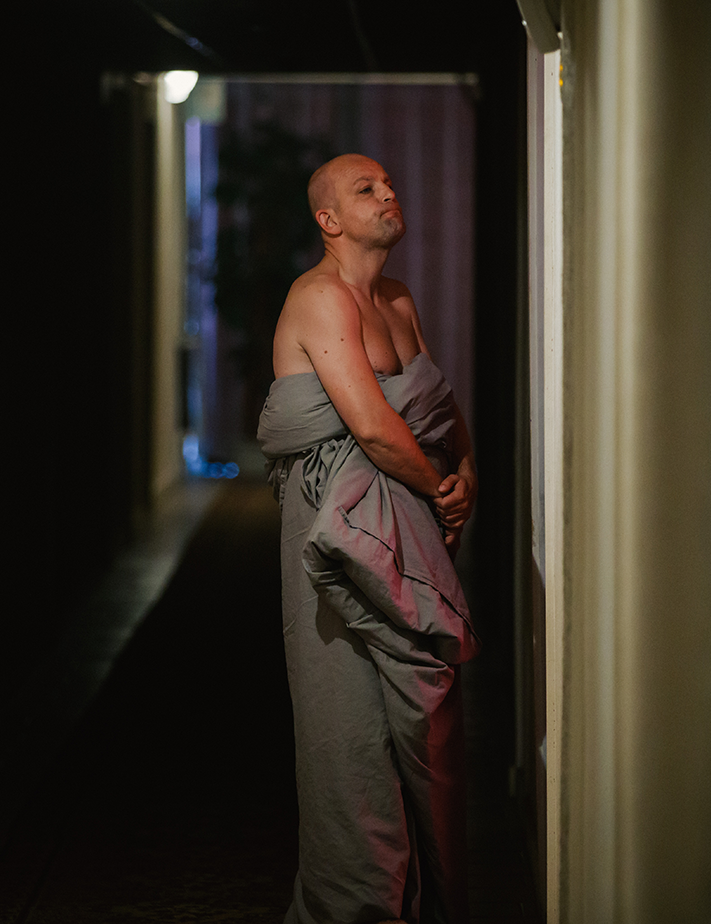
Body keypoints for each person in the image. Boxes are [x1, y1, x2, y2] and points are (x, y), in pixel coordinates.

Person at [256, 154, 479, 924]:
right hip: (337, 539)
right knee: (348, 738)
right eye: (367, 189)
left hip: (409, 527)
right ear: (328, 220)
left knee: (427, 737)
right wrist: (439, 488)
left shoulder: (398, 298)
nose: (389, 193)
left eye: (389, 183)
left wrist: (466, 475)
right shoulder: (319, 297)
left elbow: (438, 408)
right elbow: (377, 431)